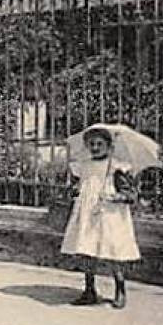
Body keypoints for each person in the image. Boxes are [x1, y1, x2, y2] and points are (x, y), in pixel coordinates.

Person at [61, 126, 141, 309]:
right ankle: (89, 290)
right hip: (88, 213)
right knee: (87, 249)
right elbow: (79, 186)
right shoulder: (83, 166)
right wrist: (75, 191)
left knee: (113, 251)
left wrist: (116, 196)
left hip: (110, 215)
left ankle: (120, 290)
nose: (95, 148)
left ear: (109, 146)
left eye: (100, 144)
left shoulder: (116, 167)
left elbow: (131, 195)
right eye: (92, 144)